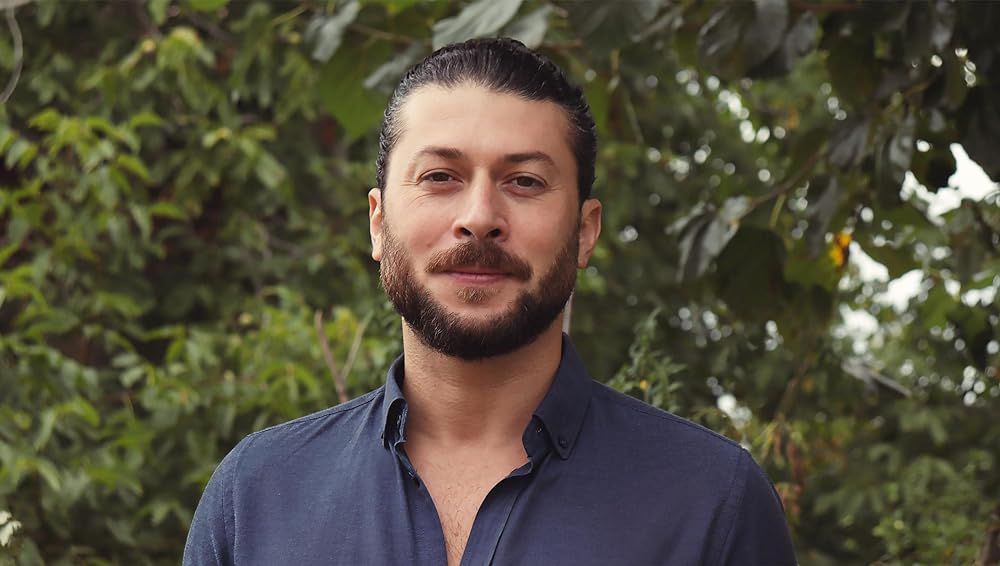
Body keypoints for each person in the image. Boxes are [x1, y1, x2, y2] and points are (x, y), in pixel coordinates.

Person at [184, 37, 797, 566]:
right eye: (439, 177)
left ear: (585, 232)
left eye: (524, 181)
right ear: (378, 222)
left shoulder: (713, 504)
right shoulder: (256, 497)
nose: (479, 218)